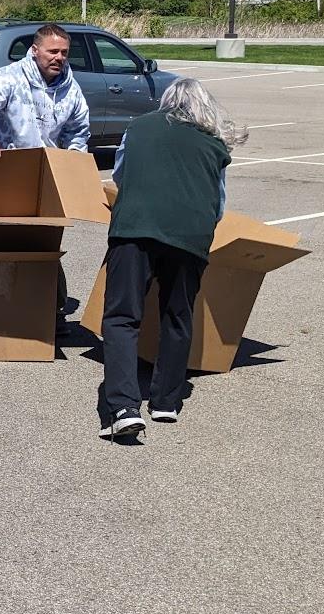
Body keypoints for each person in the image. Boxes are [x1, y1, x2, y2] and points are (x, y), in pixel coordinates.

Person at [98, 78, 242, 438]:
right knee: (177, 315)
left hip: (135, 228)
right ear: (204, 106)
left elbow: (120, 174)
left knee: (122, 317)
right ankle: (166, 401)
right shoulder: (215, 144)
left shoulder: (138, 127)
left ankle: (123, 407)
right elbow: (219, 205)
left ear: (167, 101)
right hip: (190, 236)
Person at [0, 23, 91, 328]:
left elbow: (78, 130)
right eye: (52, 51)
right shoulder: (10, 78)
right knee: (1, 242)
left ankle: (51, 313)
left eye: (64, 53)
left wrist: (73, 158)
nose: (59, 58)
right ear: (35, 50)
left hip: (45, 175)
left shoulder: (71, 89)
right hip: (5, 170)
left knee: (44, 245)